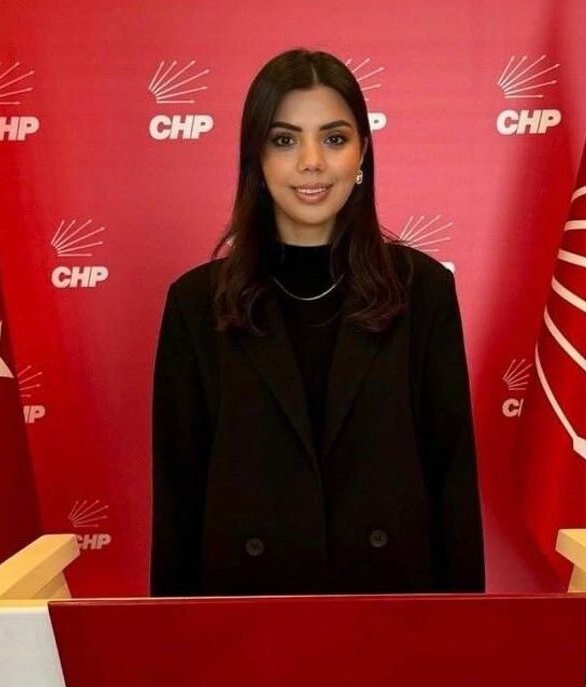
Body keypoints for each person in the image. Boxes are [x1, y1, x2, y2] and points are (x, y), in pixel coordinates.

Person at [151, 48, 483, 597]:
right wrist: (176, 638)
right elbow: (178, 497)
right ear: (255, 158)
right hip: (248, 613)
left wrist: (462, 626)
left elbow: (452, 478)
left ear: (362, 153)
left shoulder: (422, 290)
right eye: (284, 140)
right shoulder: (196, 304)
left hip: (391, 607)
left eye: (334, 138)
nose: (311, 162)